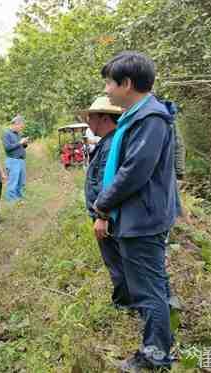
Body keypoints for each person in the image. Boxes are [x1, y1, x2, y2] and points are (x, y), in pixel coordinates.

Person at [93, 52, 180, 372]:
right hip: (139, 214)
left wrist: (102, 204)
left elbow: (133, 172)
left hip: (142, 218)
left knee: (148, 290)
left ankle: (155, 357)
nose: (106, 89)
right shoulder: (138, 115)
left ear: (127, 84)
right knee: (151, 285)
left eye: (109, 83)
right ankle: (161, 340)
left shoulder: (150, 119)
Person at [81, 96, 127, 307]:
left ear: (103, 117)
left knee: (117, 260)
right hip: (107, 213)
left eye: (91, 117)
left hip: (108, 215)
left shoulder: (111, 145)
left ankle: (124, 303)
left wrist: (102, 215)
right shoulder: (108, 142)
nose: (88, 122)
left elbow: (107, 184)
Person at [2, 115, 28, 201]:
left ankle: (19, 196)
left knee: (21, 181)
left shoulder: (19, 134)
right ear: (15, 124)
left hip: (21, 160)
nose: (21, 129)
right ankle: (11, 199)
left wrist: (24, 143)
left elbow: (22, 146)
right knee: (13, 181)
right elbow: (7, 148)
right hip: (13, 160)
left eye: (22, 127)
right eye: (20, 127)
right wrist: (20, 143)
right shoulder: (6, 134)